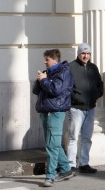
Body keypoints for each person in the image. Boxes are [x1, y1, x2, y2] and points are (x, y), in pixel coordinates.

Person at [32, 48, 76, 187]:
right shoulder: (48, 73)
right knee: (52, 144)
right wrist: (39, 79)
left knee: (52, 145)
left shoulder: (64, 72)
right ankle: (66, 170)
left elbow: (55, 90)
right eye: (45, 59)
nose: (45, 62)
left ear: (55, 59)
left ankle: (50, 175)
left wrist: (44, 81)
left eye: (47, 59)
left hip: (56, 112)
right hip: (45, 111)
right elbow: (36, 91)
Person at [67, 43, 104, 174]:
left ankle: (84, 163)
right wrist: (75, 97)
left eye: (88, 54)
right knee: (73, 137)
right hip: (76, 108)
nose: (86, 56)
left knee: (87, 137)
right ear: (78, 53)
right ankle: (71, 165)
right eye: (83, 53)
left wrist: (97, 94)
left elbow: (100, 84)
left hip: (90, 108)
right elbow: (67, 87)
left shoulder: (93, 67)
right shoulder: (71, 67)